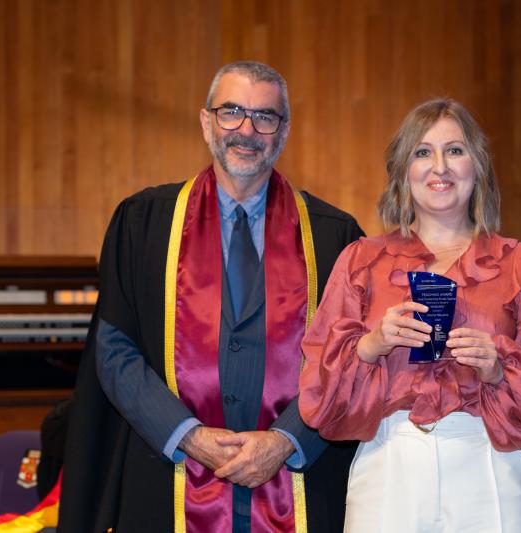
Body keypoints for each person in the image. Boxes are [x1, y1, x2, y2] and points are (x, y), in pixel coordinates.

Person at [58, 61, 364, 533]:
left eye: (265, 117)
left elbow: (351, 363)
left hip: (297, 481)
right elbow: (114, 350)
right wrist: (188, 436)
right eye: (232, 111)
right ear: (206, 122)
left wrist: (286, 440)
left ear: (283, 132)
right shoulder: (143, 224)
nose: (247, 129)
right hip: (169, 479)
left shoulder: (334, 237)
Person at [298, 98, 521, 532]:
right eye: (422, 152)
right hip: (390, 463)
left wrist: (498, 366)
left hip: (489, 462)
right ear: (403, 171)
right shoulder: (362, 261)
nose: (440, 166)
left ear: (477, 165)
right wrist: (372, 345)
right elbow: (317, 392)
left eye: (456, 150)